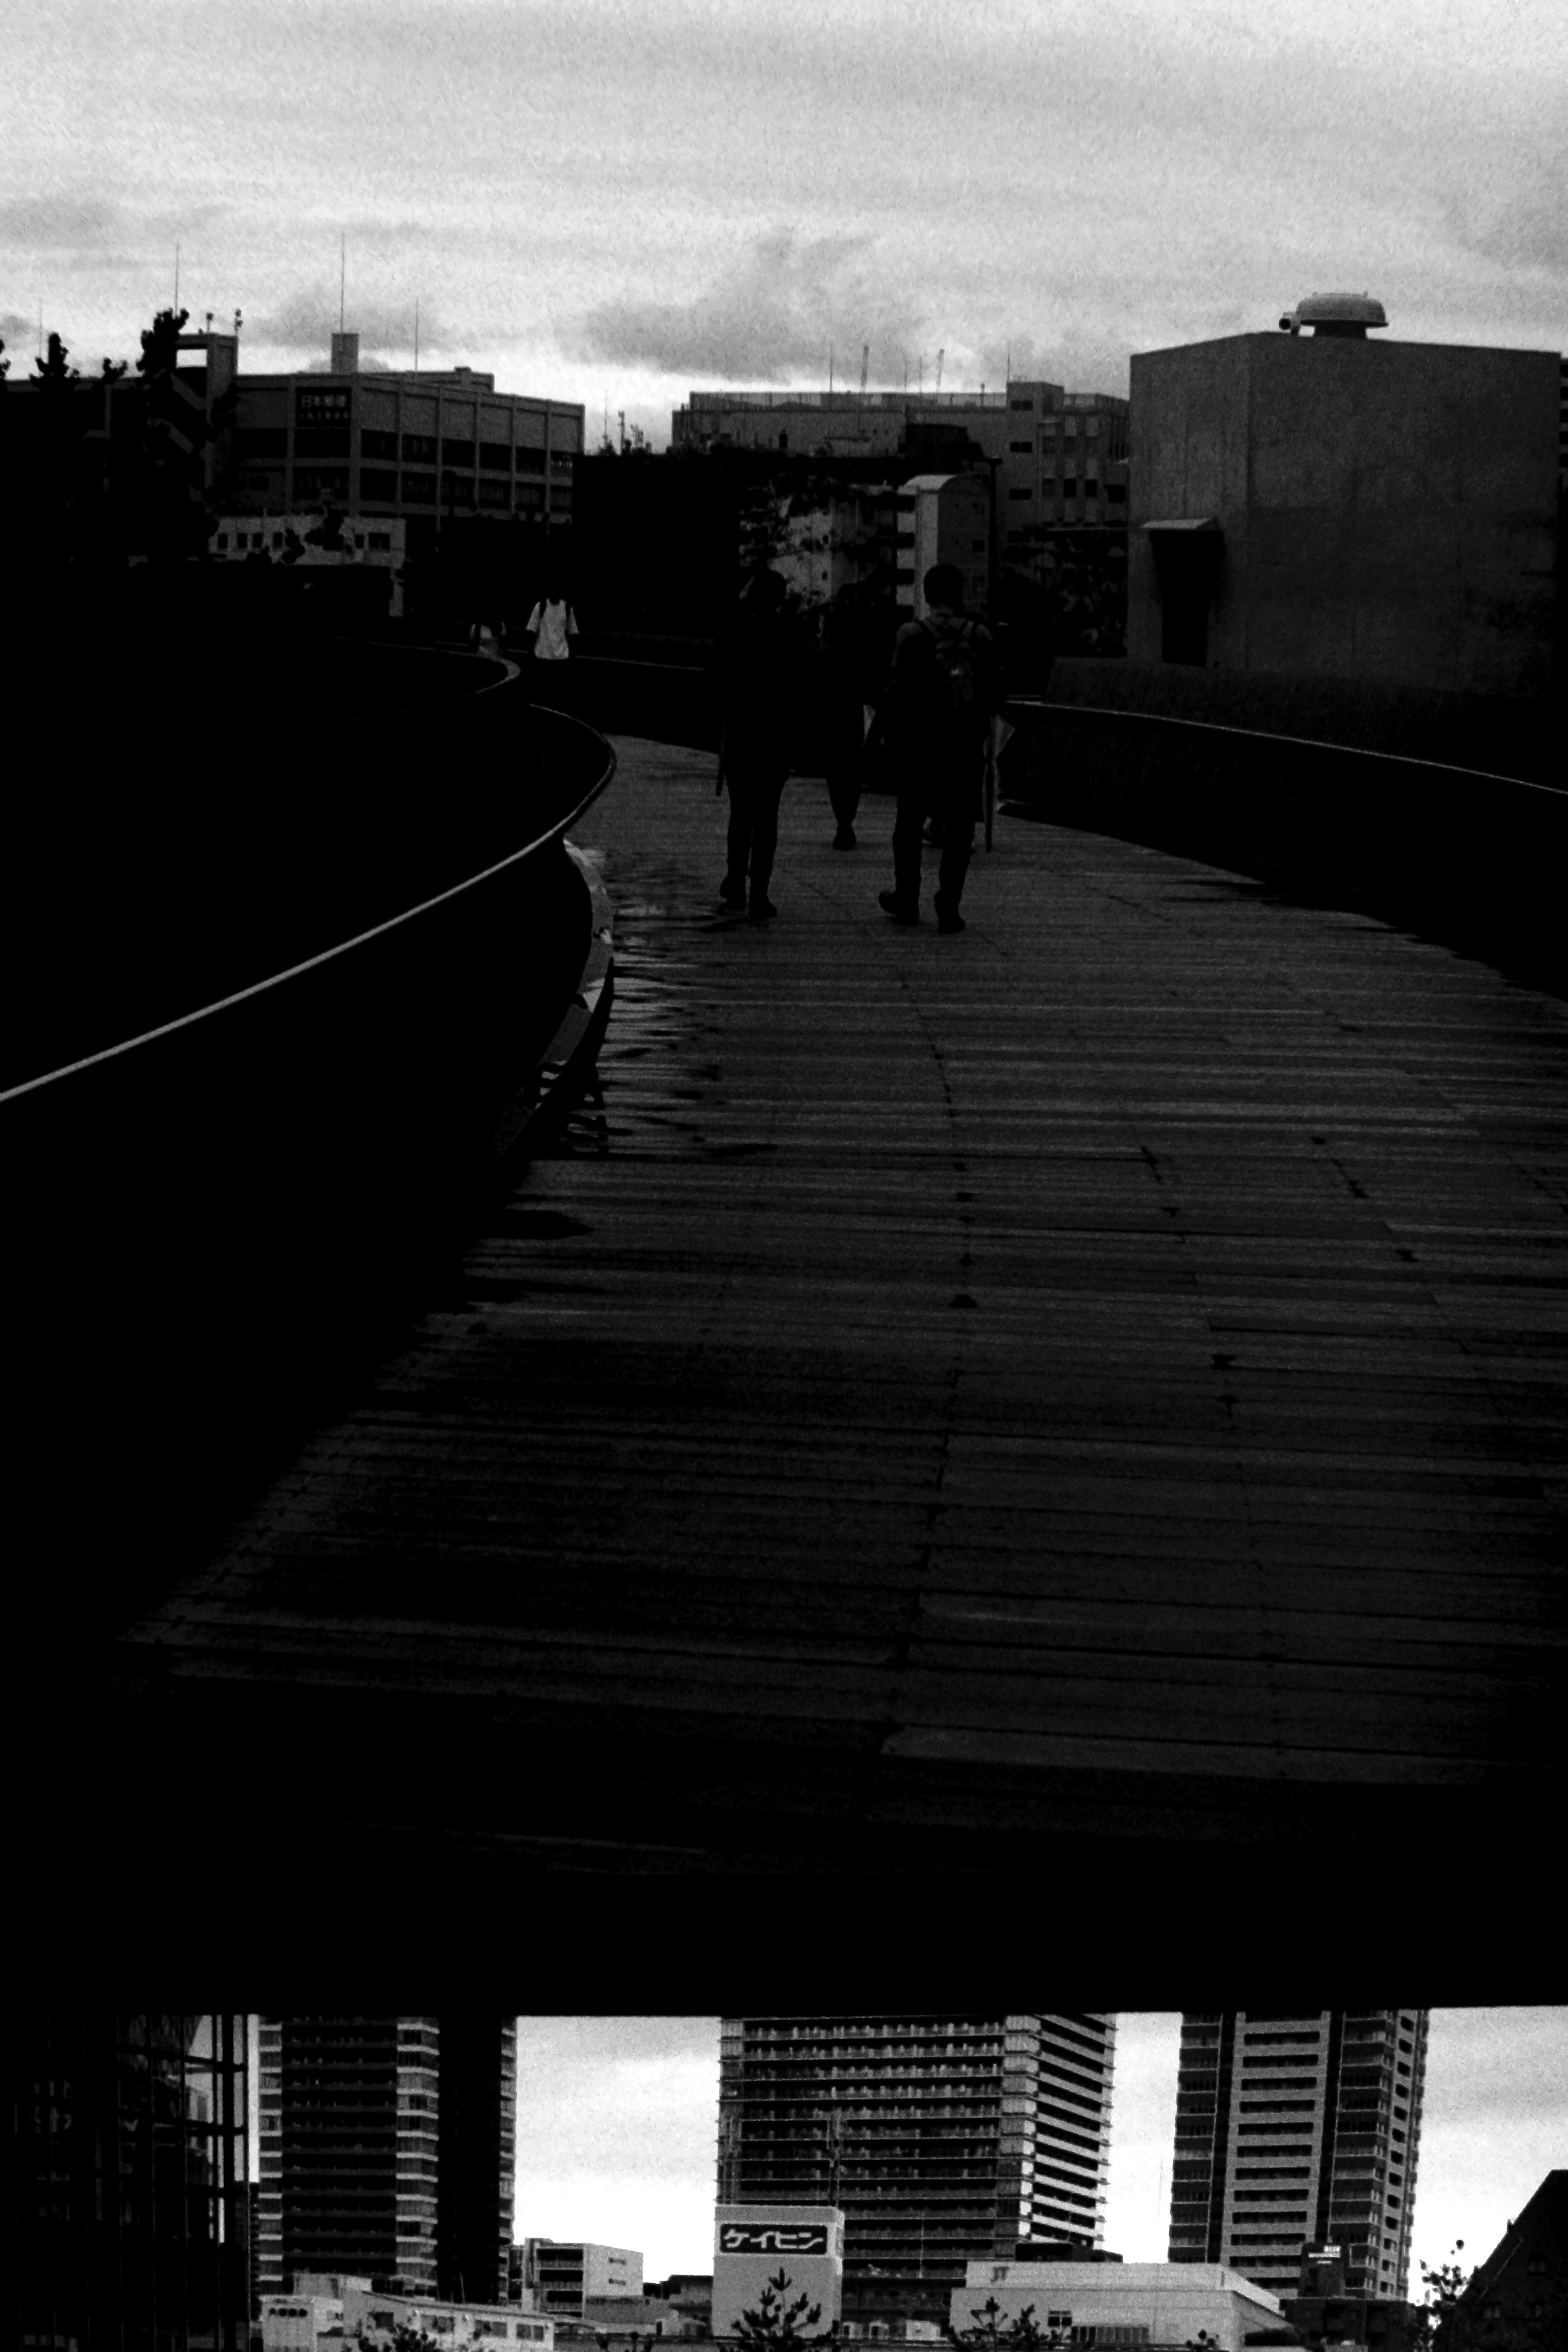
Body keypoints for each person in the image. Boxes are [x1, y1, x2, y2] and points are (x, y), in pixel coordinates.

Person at [877, 563, 1002, 935]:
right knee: (961, 827)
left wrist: (889, 737)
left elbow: (895, 689)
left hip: (919, 746)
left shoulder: (912, 634)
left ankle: (907, 896)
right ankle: (949, 903)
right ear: (959, 593)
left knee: (909, 821)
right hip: (964, 746)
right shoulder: (979, 636)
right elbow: (996, 691)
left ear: (929, 595)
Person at [715, 568, 799, 923]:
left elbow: (716, 673)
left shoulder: (737, 629)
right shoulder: (789, 633)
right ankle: (760, 893)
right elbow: (799, 683)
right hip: (776, 735)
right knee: (767, 817)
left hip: (742, 732)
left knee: (741, 813)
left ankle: (736, 880)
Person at [525, 579, 578, 665]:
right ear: (548, 589)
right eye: (552, 587)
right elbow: (531, 630)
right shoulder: (540, 607)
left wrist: (572, 655)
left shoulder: (567, 608)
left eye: (556, 588)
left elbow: (573, 633)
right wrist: (531, 653)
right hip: (542, 655)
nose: (554, 590)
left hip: (562, 656)